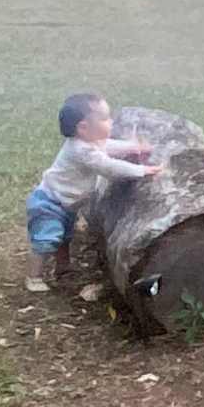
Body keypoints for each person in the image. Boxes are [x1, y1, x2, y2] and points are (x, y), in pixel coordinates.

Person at [27, 91, 156, 299]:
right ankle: (33, 276)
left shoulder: (90, 143)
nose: (110, 121)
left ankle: (62, 267)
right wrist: (142, 170)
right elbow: (108, 166)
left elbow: (109, 146)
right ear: (83, 128)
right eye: (105, 118)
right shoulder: (80, 150)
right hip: (49, 203)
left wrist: (134, 148)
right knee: (46, 239)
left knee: (64, 237)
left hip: (66, 204)